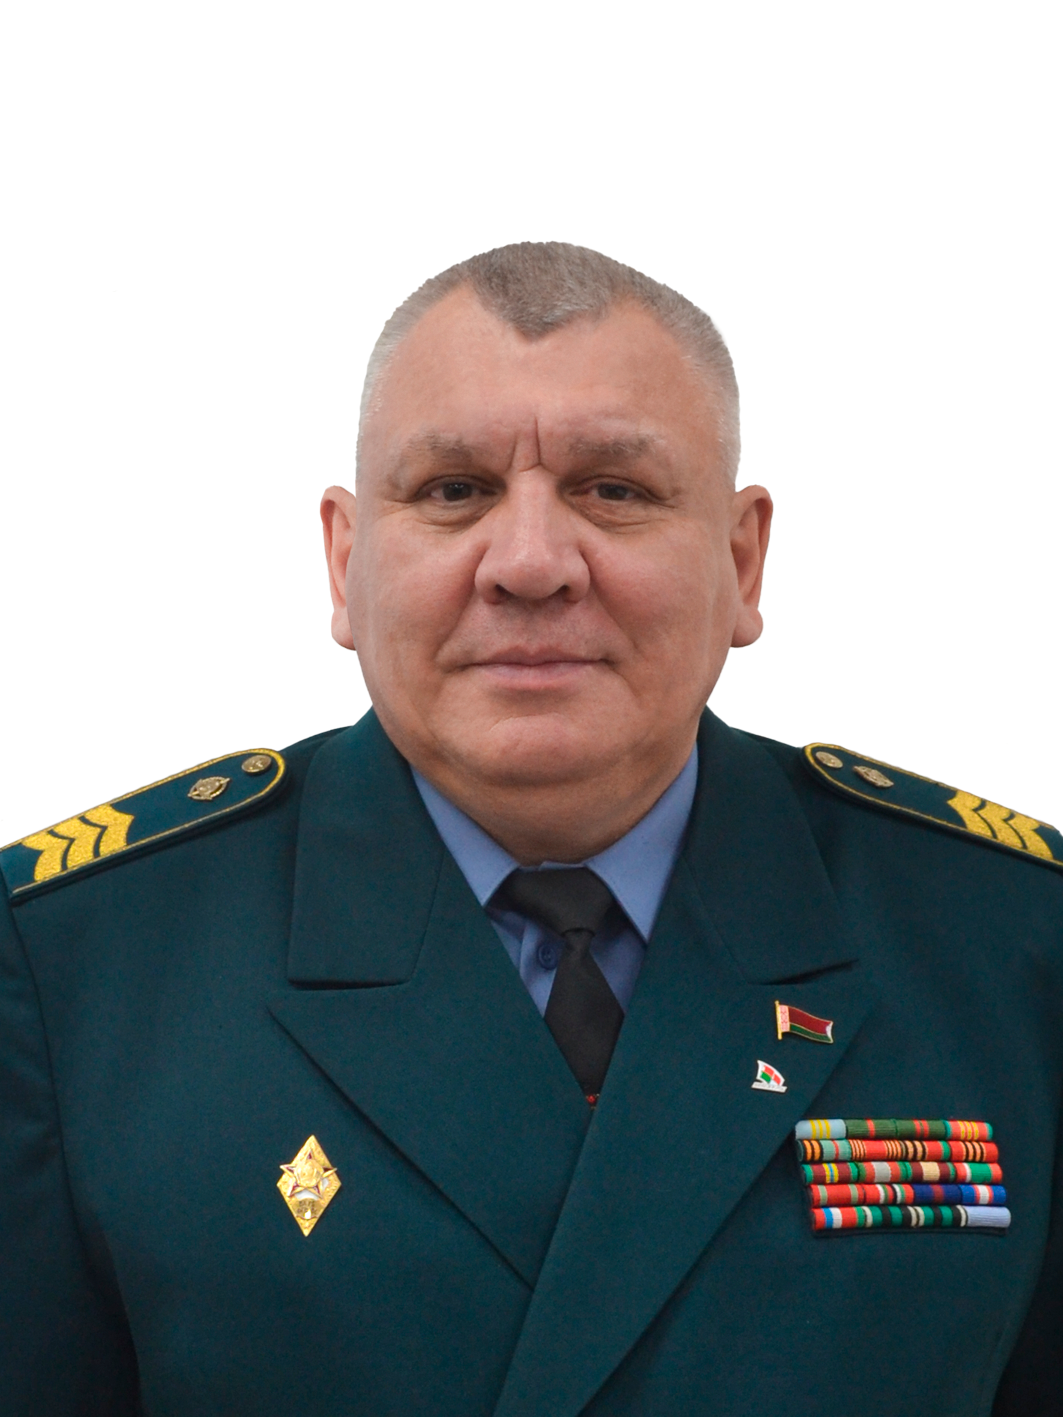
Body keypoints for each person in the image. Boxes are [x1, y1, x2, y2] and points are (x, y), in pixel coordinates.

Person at [1, 242, 1060, 1417]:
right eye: (453, 490)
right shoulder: (71, 967)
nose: (530, 564)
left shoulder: (1013, 945)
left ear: (742, 559)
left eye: (615, 489)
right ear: (346, 564)